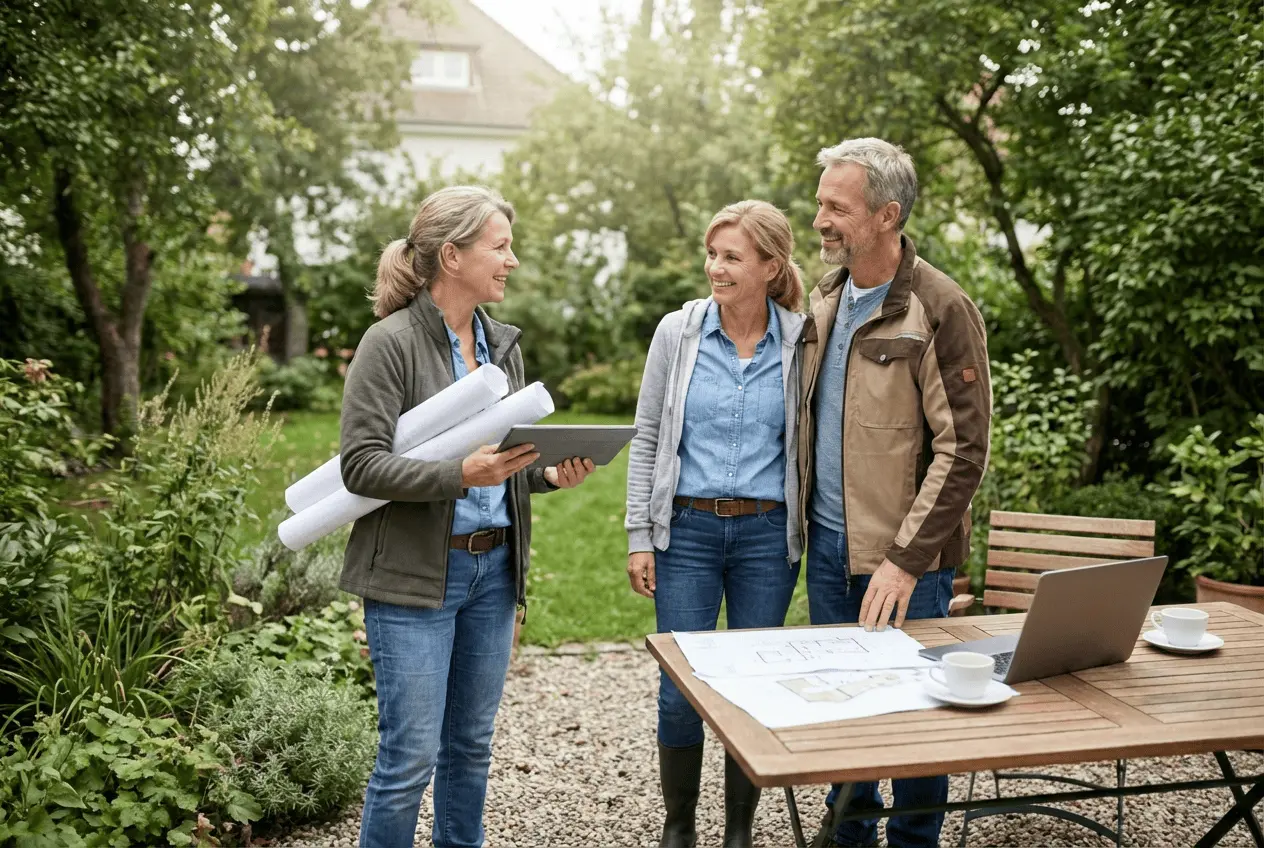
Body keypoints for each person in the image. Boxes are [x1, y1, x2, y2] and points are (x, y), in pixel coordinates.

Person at [337, 185, 595, 848]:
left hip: (493, 571)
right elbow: (360, 468)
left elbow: (497, 463)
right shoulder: (387, 343)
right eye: (500, 247)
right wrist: (460, 475)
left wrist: (544, 474)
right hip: (418, 576)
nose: (512, 261)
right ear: (452, 256)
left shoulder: (500, 345)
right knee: (408, 761)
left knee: (471, 748)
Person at [797, 139, 992, 848]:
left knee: (915, 716)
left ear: (886, 215)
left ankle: (914, 841)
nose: (819, 218)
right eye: (820, 201)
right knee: (843, 711)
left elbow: (964, 449)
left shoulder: (940, 307)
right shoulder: (825, 295)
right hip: (828, 550)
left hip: (906, 565)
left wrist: (907, 559)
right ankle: (848, 833)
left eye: (835, 207)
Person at [626, 200, 808, 848]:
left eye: (732, 256)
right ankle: (679, 829)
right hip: (689, 535)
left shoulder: (800, 339)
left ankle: (738, 831)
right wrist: (638, 536)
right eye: (713, 254)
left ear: (770, 265)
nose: (716, 268)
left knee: (752, 689)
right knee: (681, 691)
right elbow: (648, 437)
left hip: (767, 538)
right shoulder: (678, 333)